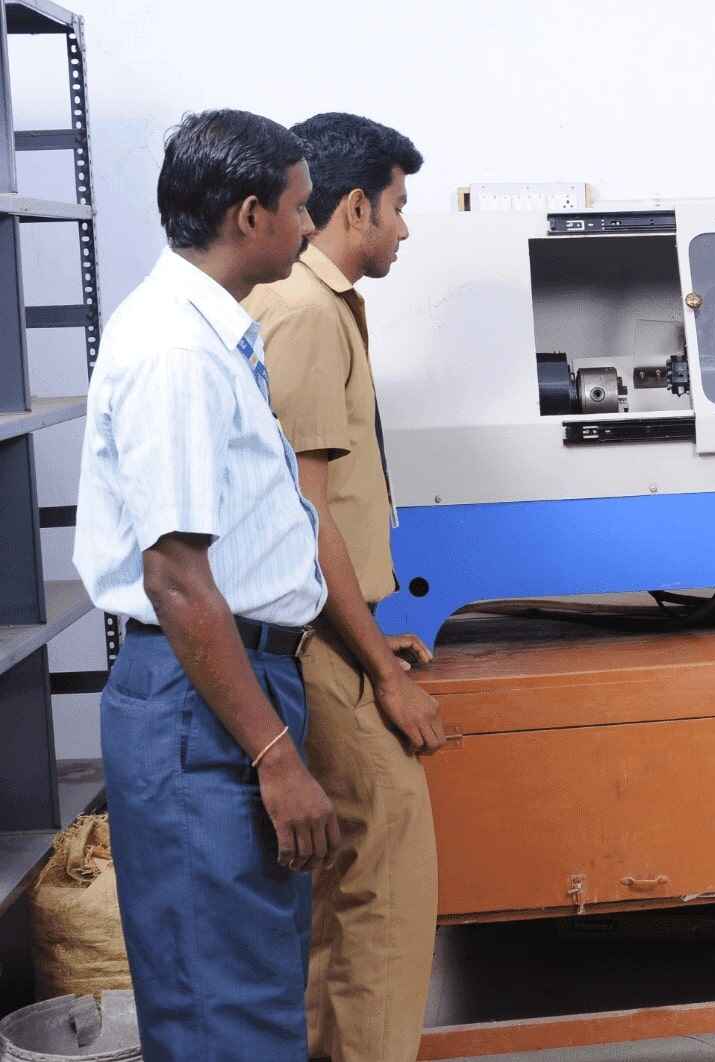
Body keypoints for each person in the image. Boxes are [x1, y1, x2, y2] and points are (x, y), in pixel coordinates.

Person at [73, 109, 336, 1061]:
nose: (309, 228)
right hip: (205, 697)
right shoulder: (177, 353)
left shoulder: (210, 335)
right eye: (300, 208)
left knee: (248, 984)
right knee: (226, 1010)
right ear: (249, 214)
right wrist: (276, 757)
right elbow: (178, 579)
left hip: (228, 685)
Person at [242, 112, 442, 1062]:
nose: (404, 226)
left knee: (350, 882)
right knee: (386, 877)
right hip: (318, 642)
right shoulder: (308, 314)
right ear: (355, 206)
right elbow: (306, 518)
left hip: (332, 626)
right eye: (397, 205)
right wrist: (384, 673)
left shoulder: (315, 305)